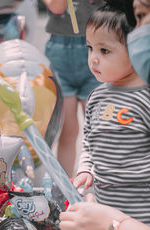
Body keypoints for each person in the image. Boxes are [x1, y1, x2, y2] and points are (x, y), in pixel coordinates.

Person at [59, 0, 150, 230]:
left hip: (141, 212)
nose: (93, 59)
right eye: (90, 49)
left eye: (105, 50)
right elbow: (89, 139)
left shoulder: (145, 99)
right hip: (108, 208)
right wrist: (86, 167)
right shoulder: (97, 97)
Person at [42, 0, 103, 177]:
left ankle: (107, 189)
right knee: (68, 131)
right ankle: (65, 190)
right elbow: (56, 7)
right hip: (59, 53)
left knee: (99, 131)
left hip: (97, 47)